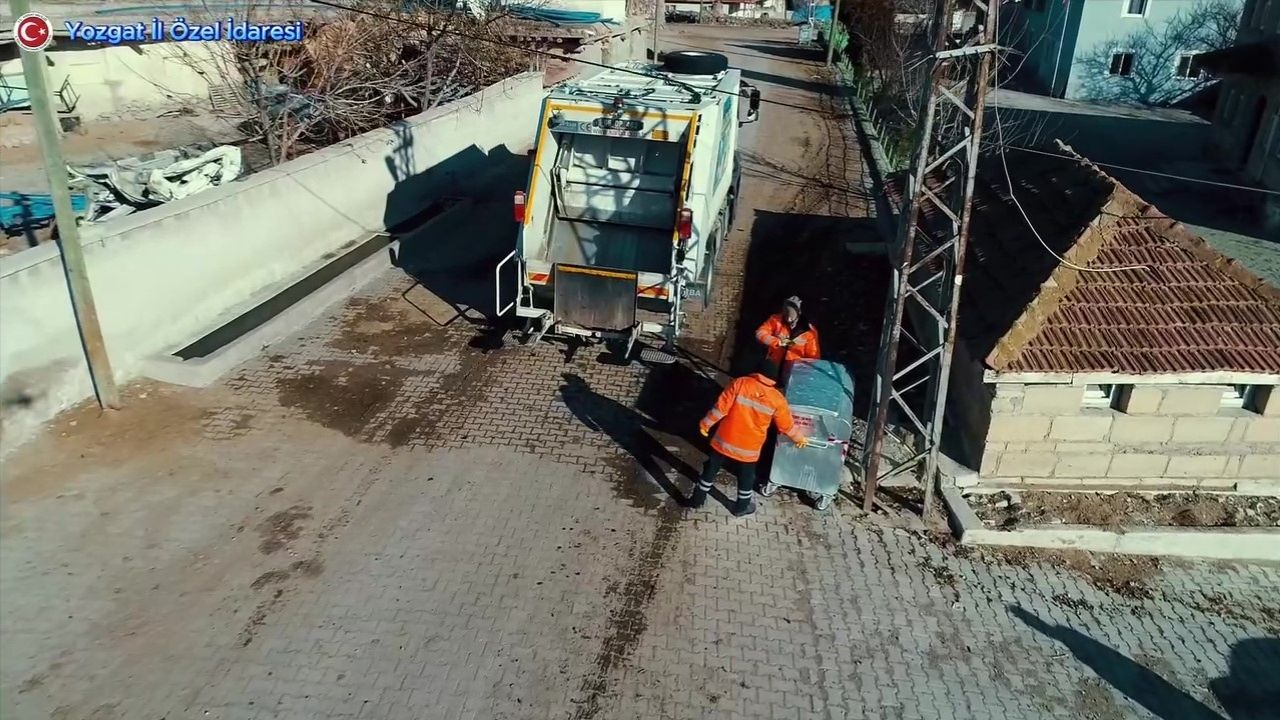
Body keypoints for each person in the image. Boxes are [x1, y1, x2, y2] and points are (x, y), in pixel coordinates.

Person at [690, 360, 809, 517]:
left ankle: (697, 499)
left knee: (711, 468)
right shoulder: (777, 399)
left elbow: (721, 408)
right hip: (749, 447)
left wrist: (705, 424)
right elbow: (785, 426)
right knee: (746, 477)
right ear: (773, 378)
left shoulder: (740, 383)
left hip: (724, 440)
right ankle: (741, 507)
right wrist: (799, 438)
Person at [755, 296, 820, 377]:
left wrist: (804, 373)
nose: (789, 319)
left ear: (798, 313)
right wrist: (778, 342)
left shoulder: (810, 332)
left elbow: (813, 357)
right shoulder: (775, 320)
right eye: (786, 313)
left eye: (791, 315)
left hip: (794, 370)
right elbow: (760, 333)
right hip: (773, 364)